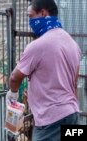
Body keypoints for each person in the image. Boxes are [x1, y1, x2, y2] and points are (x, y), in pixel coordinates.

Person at [6, 0, 81, 140]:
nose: (30, 22)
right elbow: (74, 84)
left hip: (51, 120)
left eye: (30, 16)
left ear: (43, 13)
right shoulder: (73, 44)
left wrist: (13, 94)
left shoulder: (38, 46)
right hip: (72, 114)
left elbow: (14, 78)